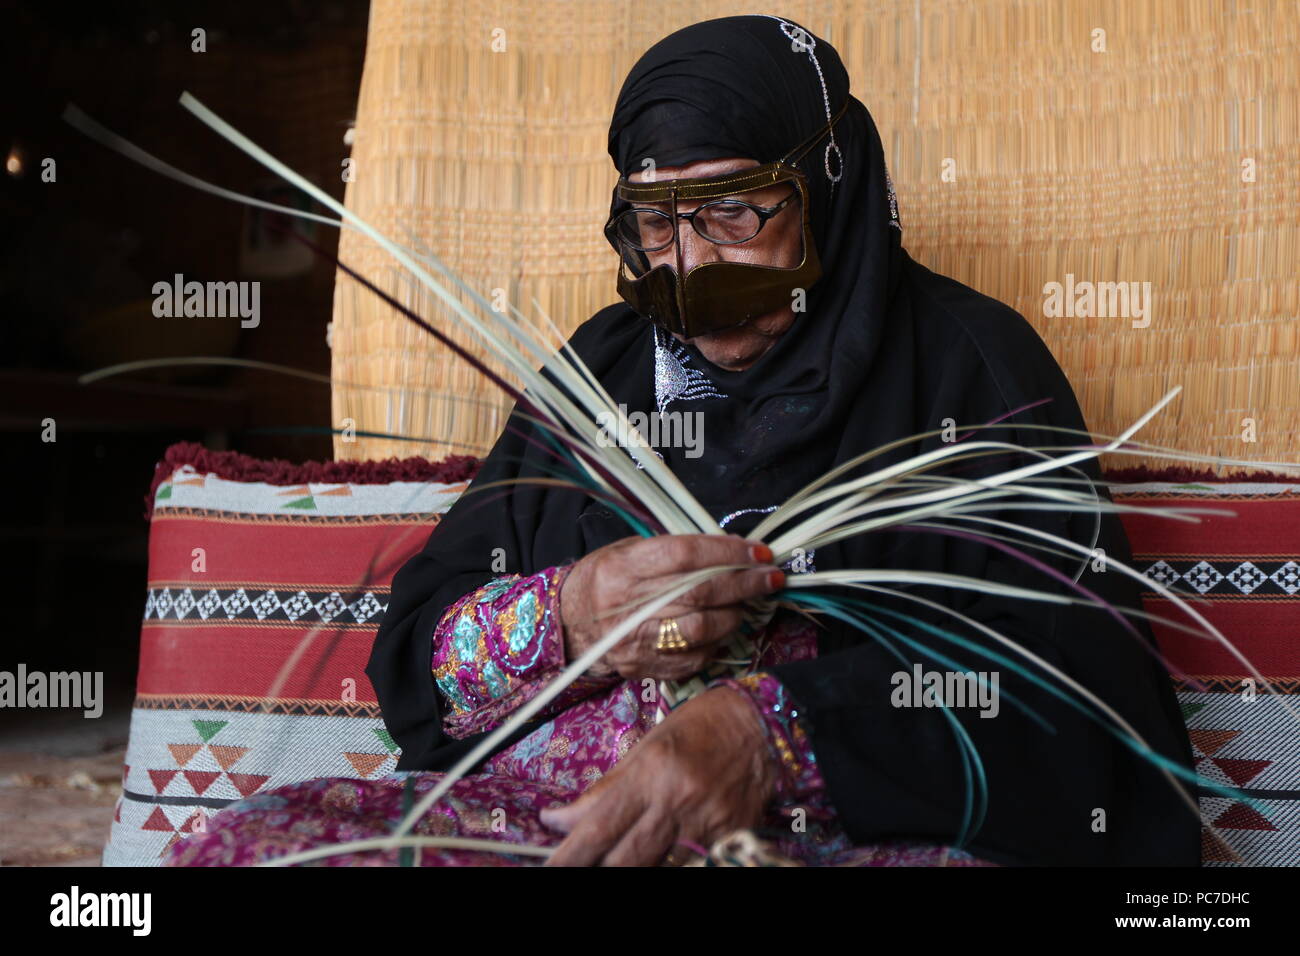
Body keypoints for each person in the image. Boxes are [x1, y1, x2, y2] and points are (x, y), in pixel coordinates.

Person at [165, 14, 1199, 868]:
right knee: (247, 850)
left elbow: (1082, 698)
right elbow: (420, 655)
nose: (691, 270)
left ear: (828, 184)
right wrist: (565, 614)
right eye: (654, 226)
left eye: (737, 212)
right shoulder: (596, 374)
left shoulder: (971, 368)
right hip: (559, 832)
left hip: (843, 843)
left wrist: (775, 730)